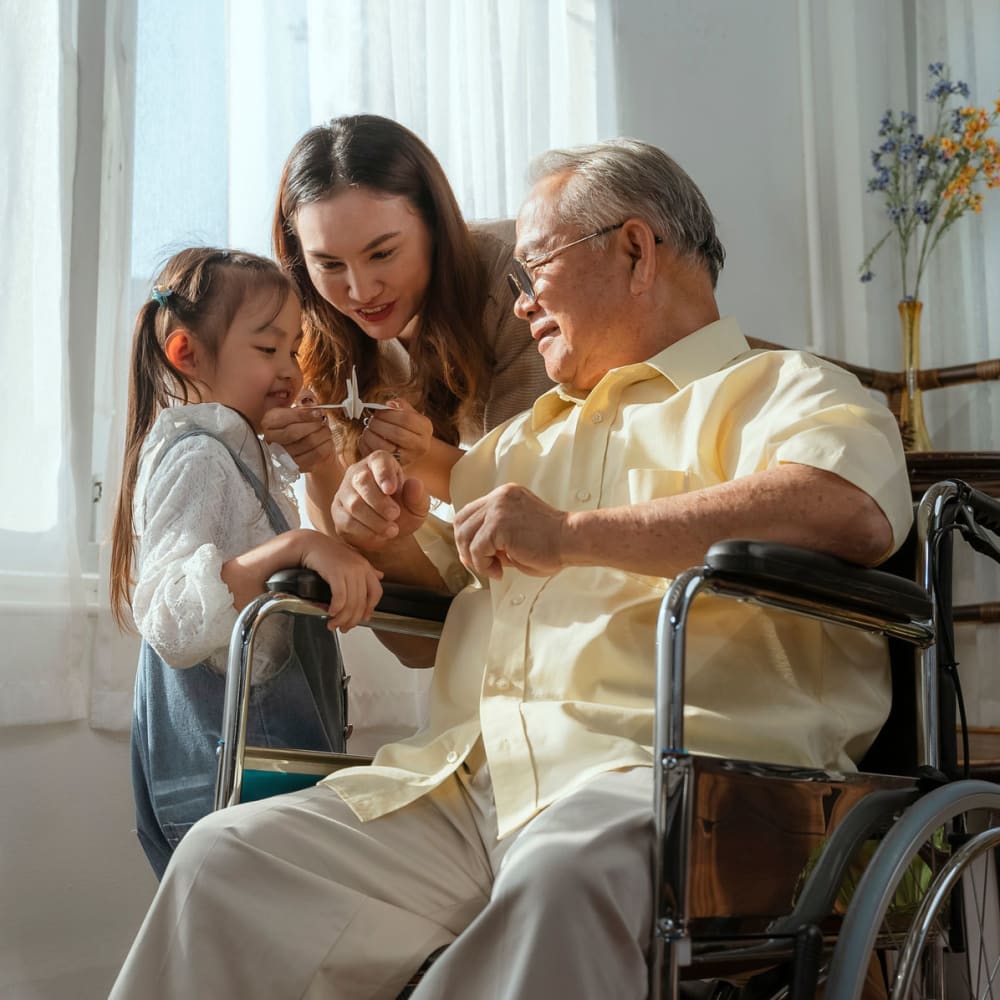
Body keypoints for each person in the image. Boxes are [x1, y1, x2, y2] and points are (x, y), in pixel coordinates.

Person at [109, 141, 912, 998]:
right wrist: (367, 519)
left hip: (665, 777)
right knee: (225, 862)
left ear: (636, 251)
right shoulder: (520, 443)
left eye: (534, 271)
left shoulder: (783, 388)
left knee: (562, 881)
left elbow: (846, 509)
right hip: (463, 783)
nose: (519, 301)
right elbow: (426, 606)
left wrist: (570, 532)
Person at [109, 247, 383, 878]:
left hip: (264, 775)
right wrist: (296, 546)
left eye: (293, 349)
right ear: (187, 355)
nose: (289, 368)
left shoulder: (238, 459)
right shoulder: (197, 459)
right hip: (226, 783)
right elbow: (174, 621)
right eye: (268, 350)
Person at [262, 114, 554, 518]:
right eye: (329, 265)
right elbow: (346, 537)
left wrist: (423, 457)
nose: (361, 291)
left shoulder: (519, 282)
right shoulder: (317, 325)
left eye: (382, 254)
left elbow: (537, 491)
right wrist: (319, 464)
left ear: (436, 225)